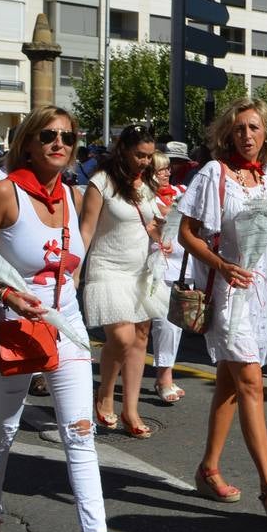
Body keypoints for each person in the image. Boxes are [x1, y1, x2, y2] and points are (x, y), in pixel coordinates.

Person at [0, 105, 142, 532]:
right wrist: (7, 293)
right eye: (48, 135)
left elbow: (75, 260)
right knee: (3, 429)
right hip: (13, 331)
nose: (58, 143)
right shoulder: (5, 193)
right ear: (28, 142)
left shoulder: (72, 193)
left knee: (81, 435)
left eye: (67, 136)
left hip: (67, 329)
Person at [178, 99, 267, 522]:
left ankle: (208, 468)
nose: (247, 136)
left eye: (254, 128)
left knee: (230, 384)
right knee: (251, 381)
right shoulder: (214, 174)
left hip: (266, 297)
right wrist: (221, 265)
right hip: (229, 296)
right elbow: (186, 234)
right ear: (228, 134)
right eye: (239, 129)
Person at [82, 125, 166, 438]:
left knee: (141, 336)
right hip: (107, 268)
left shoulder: (148, 183)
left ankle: (131, 410)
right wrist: (74, 269)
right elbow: (87, 230)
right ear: (123, 149)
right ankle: (104, 393)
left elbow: (149, 224)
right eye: (139, 155)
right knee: (122, 337)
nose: (145, 161)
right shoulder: (100, 182)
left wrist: (162, 235)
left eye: (149, 156)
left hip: (141, 269)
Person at [147, 152, 187, 404]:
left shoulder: (182, 191)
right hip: (149, 264)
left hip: (178, 267)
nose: (165, 173)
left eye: (167, 169)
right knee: (146, 325)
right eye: (159, 169)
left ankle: (164, 375)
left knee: (170, 324)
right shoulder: (142, 197)